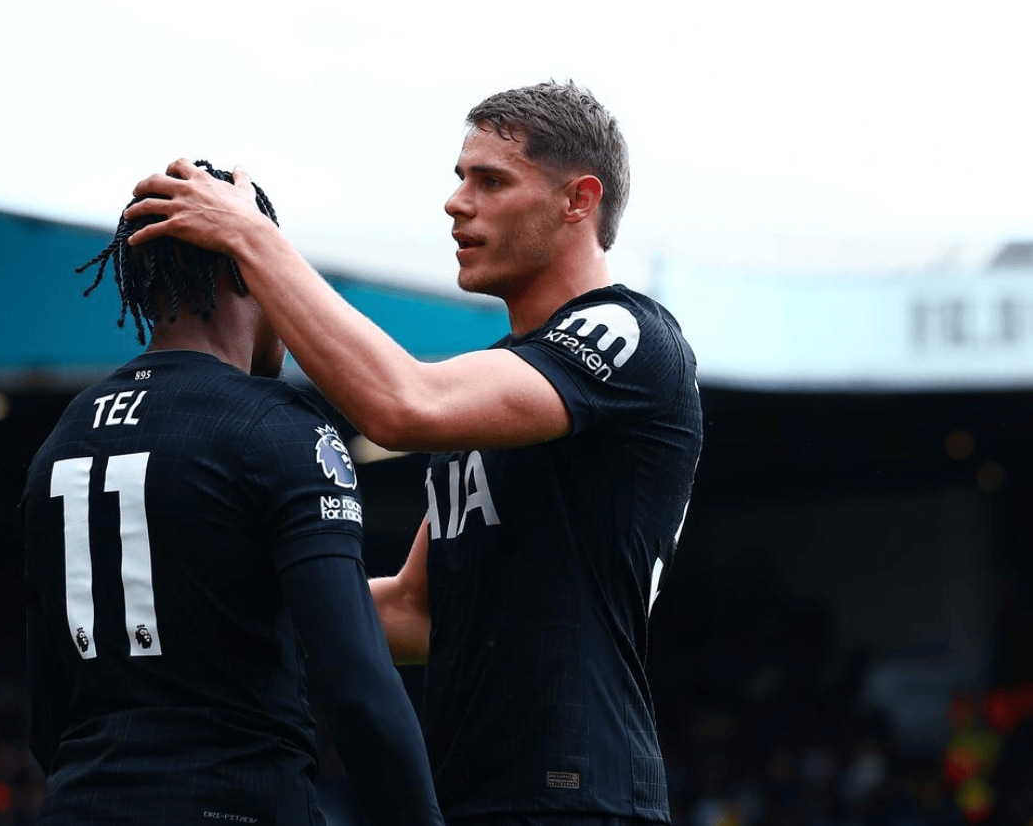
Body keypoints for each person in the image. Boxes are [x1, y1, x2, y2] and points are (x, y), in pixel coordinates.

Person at [126, 82, 704, 825]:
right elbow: (418, 609)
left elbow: (404, 405)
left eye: (491, 181)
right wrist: (206, 602)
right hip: (473, 796)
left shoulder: (628, 333)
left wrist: (252, 239)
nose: (456, 202)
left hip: (579, 794)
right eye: (461, 178)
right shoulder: (499, 382)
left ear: (578, 200)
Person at [20, 162, 443, 826]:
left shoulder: (63, 437)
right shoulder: (277, 427)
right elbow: (357, 686)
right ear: (245, 269)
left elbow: (46, 712)